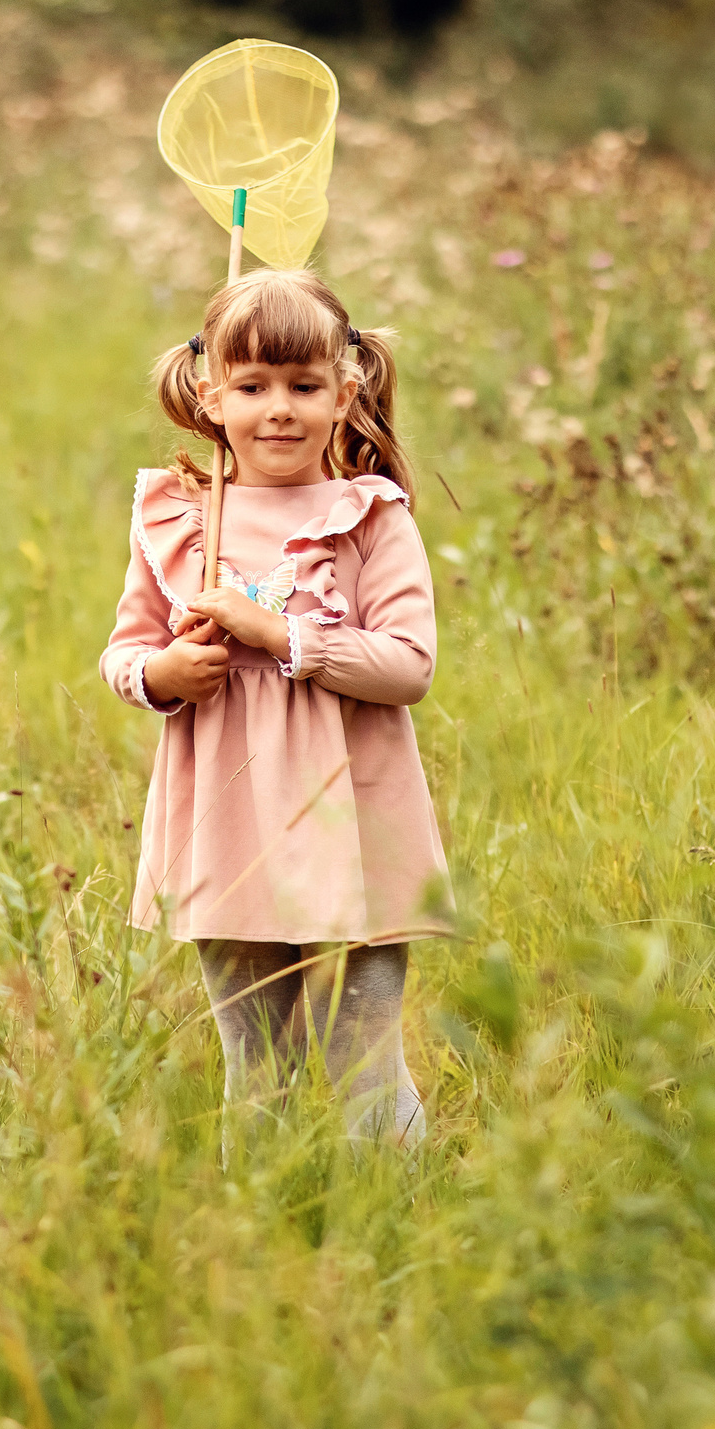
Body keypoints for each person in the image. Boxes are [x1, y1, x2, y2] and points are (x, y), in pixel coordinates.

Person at [100, 268, 450, 1144]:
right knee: (256, 1067)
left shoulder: (369, 518)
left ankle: (398, 1204)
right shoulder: (182, 519)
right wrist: (167, 673)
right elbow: (124, 652)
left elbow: (409, 664)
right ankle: (261, 1213)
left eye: (303, 385)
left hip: (352, 825)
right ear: (211, 396)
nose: (280, 410)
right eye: (253, 387)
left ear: (345, 393)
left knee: (363, 1055)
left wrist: (279, 632)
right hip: (232, 824)